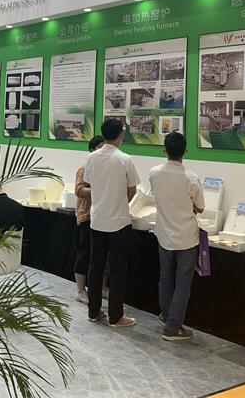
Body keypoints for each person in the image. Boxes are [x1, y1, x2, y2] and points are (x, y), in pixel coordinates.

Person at [149, 131, 205, 342]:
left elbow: (156, 195)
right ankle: (173, 327)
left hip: (164, 234)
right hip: (186, 237)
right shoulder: (191, 177)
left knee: (165, 277)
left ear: (164, 150)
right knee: (183, 283)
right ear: (186, 151)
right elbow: (200, 207)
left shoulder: (154, 173)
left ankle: (166, 316)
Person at [84, 118, 139, 329]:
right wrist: (120, 202)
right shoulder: (125, 159)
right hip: (119, 222)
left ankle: (93, 311)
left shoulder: (92, 157)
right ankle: (116, 316)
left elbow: (90, 182)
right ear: (121, 135)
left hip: (97, 219)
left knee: (95, 266)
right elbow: (132, 189)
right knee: (117, 270)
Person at [73, 134, 105, 304]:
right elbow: (79, 190)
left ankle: (102, 288)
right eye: (99, 147)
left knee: (101, 254)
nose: (102, 151)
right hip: (87, 215)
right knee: (85, 252)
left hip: (103, 215)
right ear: (92, 150)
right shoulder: (84, 168)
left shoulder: (107, 167)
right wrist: (98, 189)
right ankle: (80, 290)